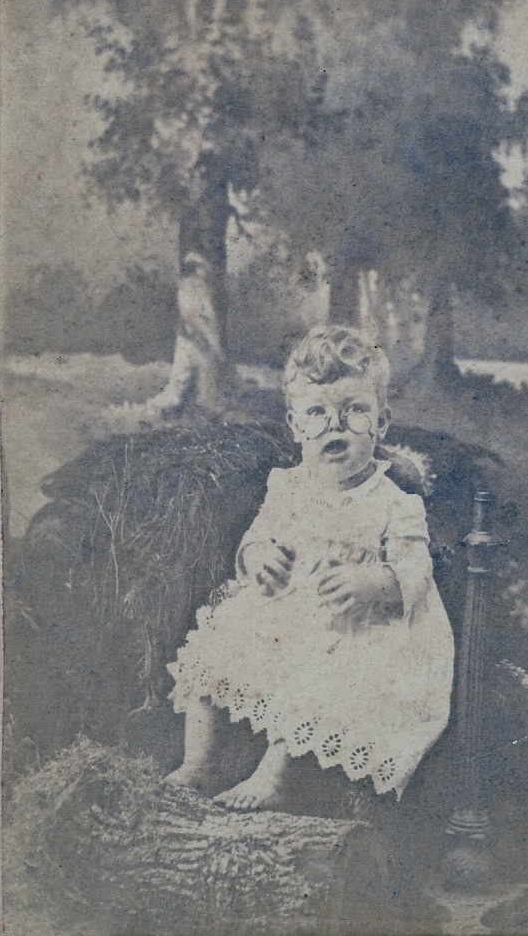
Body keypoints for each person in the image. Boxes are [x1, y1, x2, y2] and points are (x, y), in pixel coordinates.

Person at [164, 325, 454, 809]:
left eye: (354, 410)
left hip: (357, 628)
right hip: (287, 614)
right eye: (317, 413)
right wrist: (258, 557)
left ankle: (274, 776)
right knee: (215, 642)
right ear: (296, 426)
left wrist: (375, 581)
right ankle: (201, 762)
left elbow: (415, 570)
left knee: (324, 675)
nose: (334, 427)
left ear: (381, 423)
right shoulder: (287, 487)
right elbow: (255, 538)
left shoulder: (395, 503)